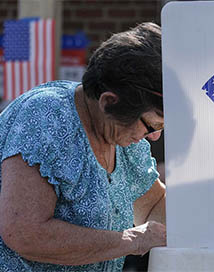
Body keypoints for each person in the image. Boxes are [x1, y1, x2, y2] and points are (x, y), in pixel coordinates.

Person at [0, 22, 166, 271]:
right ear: (109, 102)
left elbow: (153, 204)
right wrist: (132, 241)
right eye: (151, 125)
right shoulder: (46, 118)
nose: (154, 137)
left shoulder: (123, 135)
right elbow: (24, 232)